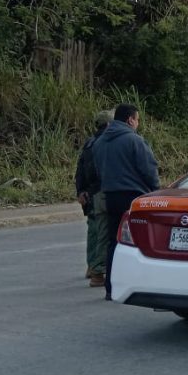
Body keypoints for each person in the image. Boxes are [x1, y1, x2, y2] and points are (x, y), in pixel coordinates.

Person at [93, 104, 160, 300]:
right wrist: (156, 192)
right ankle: (143, 285)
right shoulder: (134, 140)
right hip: (134, 198)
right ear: (130, 120)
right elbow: (149, 169)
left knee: (114, 242)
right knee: (141, 242)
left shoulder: (100, 142)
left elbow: (97, 170)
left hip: (110, 196)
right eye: (137, 119)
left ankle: (111, 287)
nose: (138, 123)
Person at [73, 109, 113, 287]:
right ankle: (98, 269)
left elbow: (80, 170)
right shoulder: (107, 143)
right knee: (103, 231)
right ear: (110, 124)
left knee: (93, 230)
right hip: (100, 192)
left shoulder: (89, 143)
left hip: (88, 193)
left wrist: (80, 191)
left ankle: (91, 266)